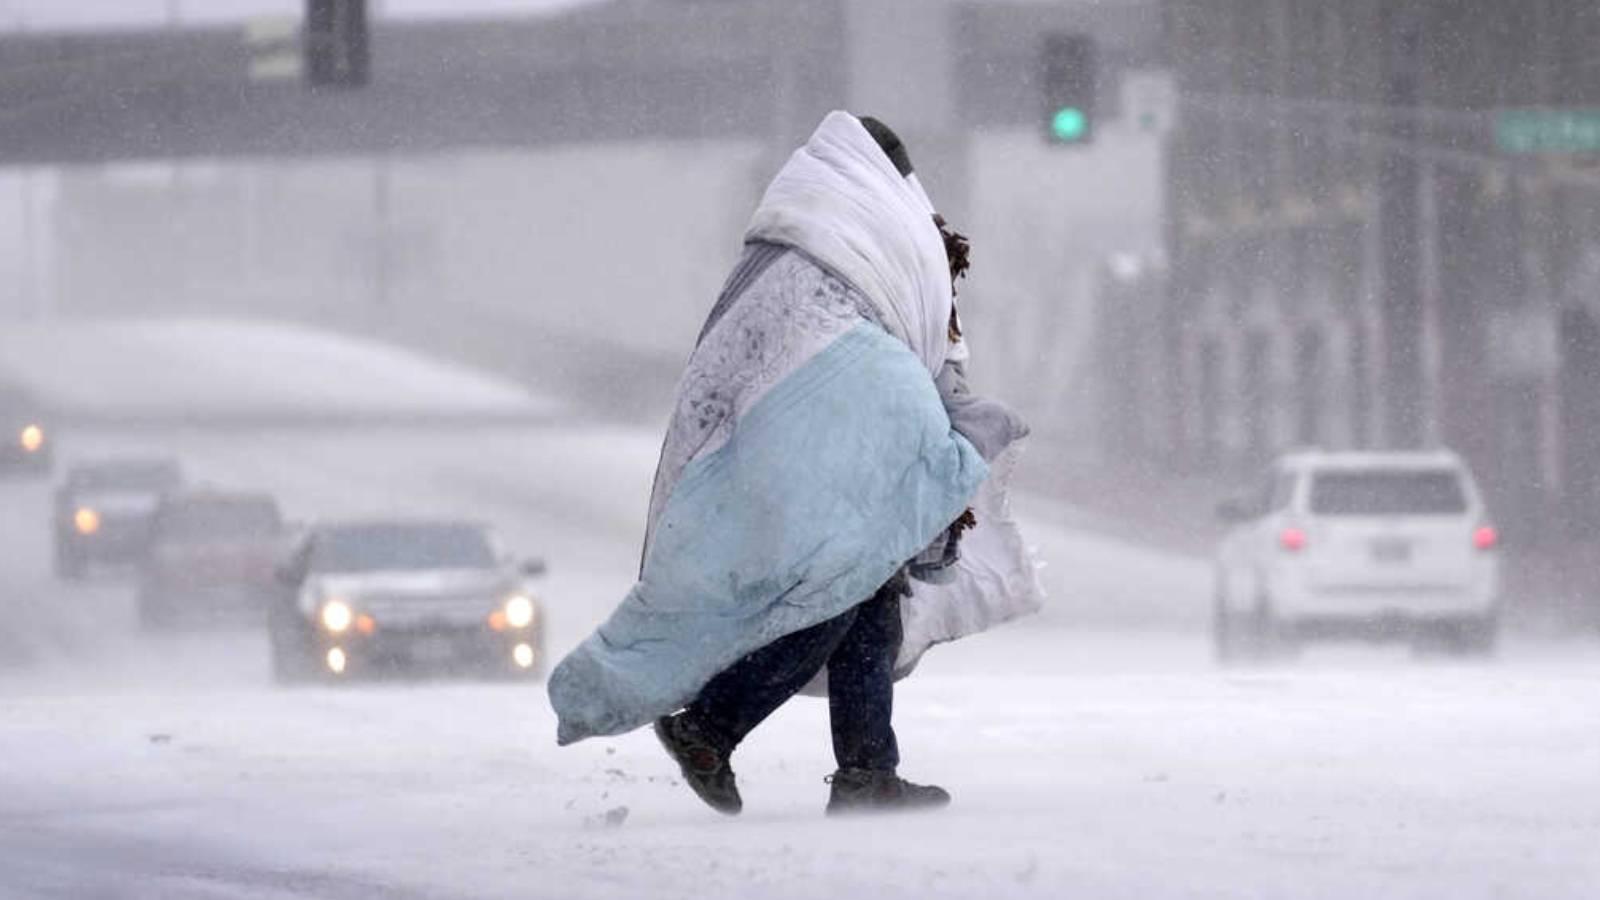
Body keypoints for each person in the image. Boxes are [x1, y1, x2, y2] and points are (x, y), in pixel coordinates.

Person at [548, 112, 1037, 817]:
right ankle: (711, 726)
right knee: (838, 588)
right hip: (820, 440)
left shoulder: (791, 245)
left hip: (780, 441)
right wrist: (945, 434)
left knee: (868, 591)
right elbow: (905, 340)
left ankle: (867, 771)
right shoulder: (874, 236)